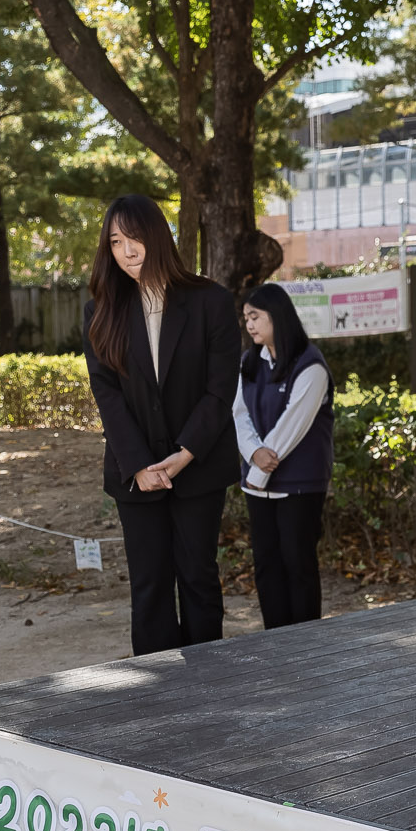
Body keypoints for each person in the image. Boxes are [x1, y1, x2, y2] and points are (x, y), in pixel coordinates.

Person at [82, 195, 242, 655]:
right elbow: (106, 395)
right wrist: (139, 464)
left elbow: (219, 390)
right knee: (149, 586)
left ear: (159, 237)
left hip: (199, 464)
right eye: (115, 242)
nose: (127, 251)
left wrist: (184, 454)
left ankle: (209, 685)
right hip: (136, 474)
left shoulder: (210, 300)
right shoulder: (100, 310)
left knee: (198, 577)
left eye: (135, 238)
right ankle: (157, 694)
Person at [233, 283, 332, 628]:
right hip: (257, 485)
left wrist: (260, 464)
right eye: (246, 318)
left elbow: (293, 424)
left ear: (278, 314)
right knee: (266, 564)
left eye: (255, 316)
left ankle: (305, 643)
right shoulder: (250, 361)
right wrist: (253, 453)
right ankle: (274, 640)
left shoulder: (310, 364)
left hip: (299, 485)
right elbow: (239, 414)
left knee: (298, 563)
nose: (249, 324)